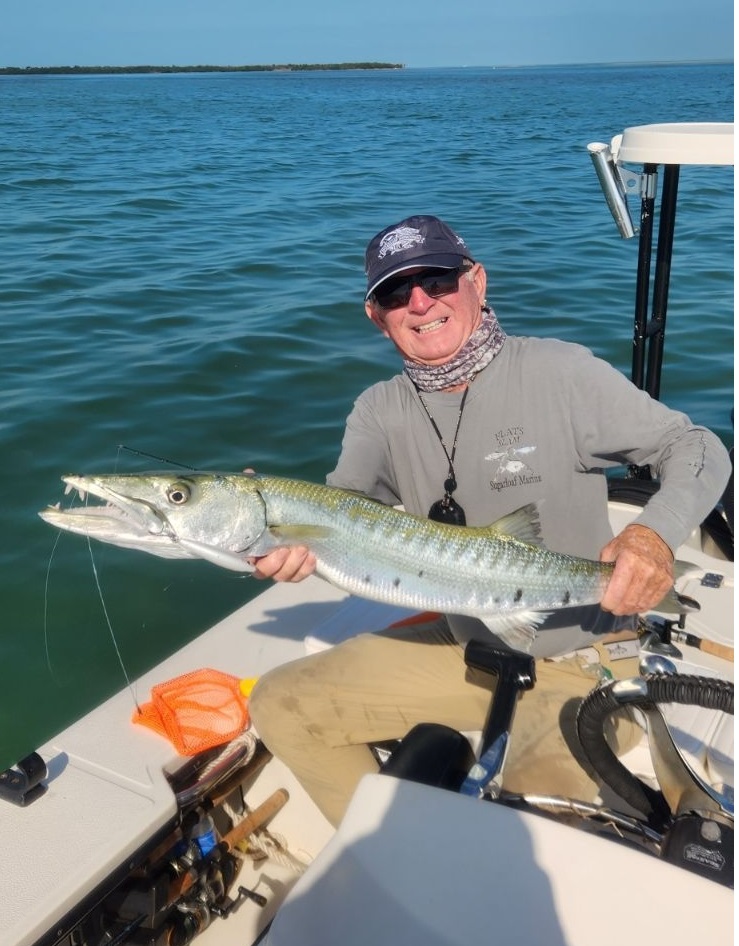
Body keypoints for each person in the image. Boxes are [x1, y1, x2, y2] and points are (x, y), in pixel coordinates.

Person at [248, 214, 731, 827]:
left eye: (438, 281)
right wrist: (272, 527)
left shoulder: (559, 373)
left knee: (527, 821)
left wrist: (653, 533)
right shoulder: (378, 410)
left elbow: (695, 446)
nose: (420, 303)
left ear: (476, 280)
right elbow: (338, 506)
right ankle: (391, 866)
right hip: (471, 645)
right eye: (396, 292)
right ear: (377, 315)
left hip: (584, 657)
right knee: (283, 702)